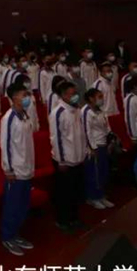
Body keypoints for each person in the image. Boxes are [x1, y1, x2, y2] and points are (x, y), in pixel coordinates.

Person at [0, 82, 36, 256]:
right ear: (14, 97)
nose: (27, 97)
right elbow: (5, 145)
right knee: (12, 206)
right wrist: (8, 169)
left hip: (27, 167)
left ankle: (16, 234)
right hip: (15, 170)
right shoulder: (9, 118)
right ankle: (7, 236)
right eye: (23, 94)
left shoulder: (25, 115)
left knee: (23, 205)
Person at [49, 81, 88, 233]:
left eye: (75, 93)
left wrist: (84, 152)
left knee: (76, 191)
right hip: (65, 160)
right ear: (64, 95)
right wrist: (61, 160)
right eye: (72, 94)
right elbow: (56, 138)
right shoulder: (58, 113)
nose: (75, 96)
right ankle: (63, 220)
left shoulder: (77, 109)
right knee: (64, 193)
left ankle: (74, 218)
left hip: (78, 157)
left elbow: (81, 133)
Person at [82, 88, 115, 209]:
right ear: (91, 98)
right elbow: (86, 131)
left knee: (102, 172)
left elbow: (107, 127)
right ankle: (93, 197)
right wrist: (92, 148)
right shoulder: (86, 112)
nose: (102, 99)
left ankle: (101, 195)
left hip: (103, 144)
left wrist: (110, 141)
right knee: (93, 174)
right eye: (99, 97)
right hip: (94, 147)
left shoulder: (100, 111)